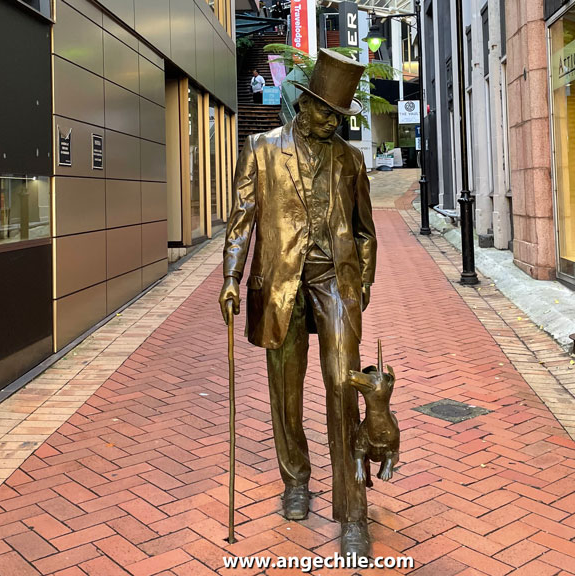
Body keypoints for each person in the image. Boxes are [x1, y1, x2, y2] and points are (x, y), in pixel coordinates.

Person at [220, 49, 376, 557]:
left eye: (338, 115)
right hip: (280, 284)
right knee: (286, 390)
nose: (330, 121)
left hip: (335, 280)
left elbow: (365, 232)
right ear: (303, 105)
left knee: (342, 383)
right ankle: (296, 480)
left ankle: (353, 509)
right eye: (322, 111)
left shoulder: (350, 160)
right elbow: (242, 220)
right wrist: (230, 278)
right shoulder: (262, 149)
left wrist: (362, 285)